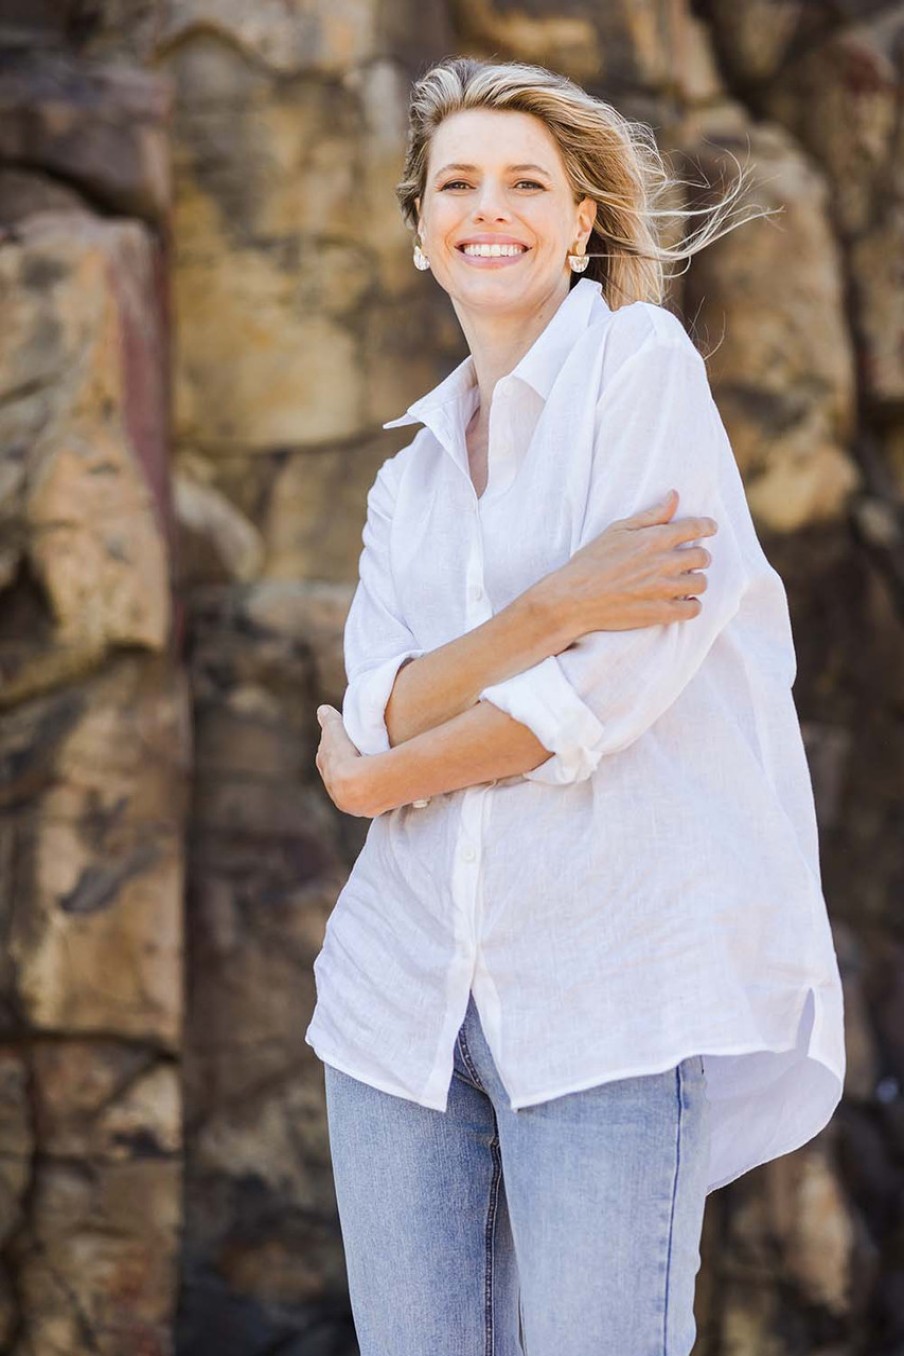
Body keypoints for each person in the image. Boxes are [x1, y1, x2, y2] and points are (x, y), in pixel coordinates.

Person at [306, 55, 846, 1356]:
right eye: (458, 184)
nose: (489, 208)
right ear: (424, 233)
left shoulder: (642, 370)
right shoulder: (408, 483)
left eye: (525, 183)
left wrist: (383, 779)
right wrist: (547, 611)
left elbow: (595, 702)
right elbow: (377, 702)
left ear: (580, 224)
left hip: (608, 998)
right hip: (396, 1007)